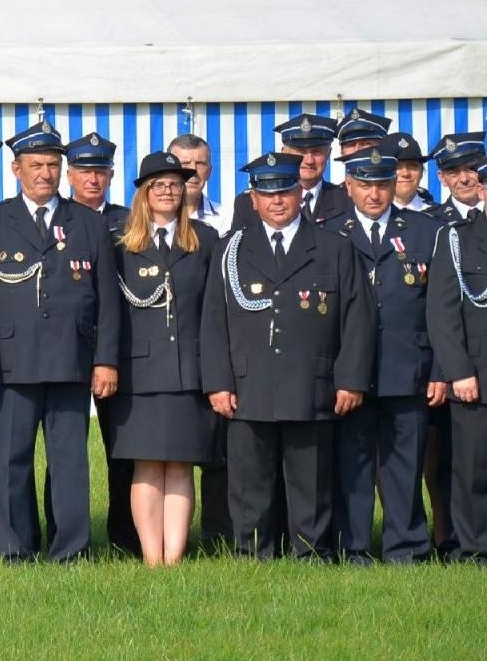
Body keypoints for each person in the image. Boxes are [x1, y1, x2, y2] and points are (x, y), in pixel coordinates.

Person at [202, 152, 375, 560]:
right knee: (249, 480)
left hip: (310, 383)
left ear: (300, 193)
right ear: (254, 198)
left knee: (310, 479)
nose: (277, 201)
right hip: (248, 385)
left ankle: (311, 553)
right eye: (267, 193)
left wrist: (350, 379)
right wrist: (218, 382)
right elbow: (213, 321)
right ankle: (255, 554)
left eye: (285, 191)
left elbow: (357, 318)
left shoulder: (334, 247)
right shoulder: (231, 248)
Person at [0, 120, 118, 562]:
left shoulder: (87, 223)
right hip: (12, 359)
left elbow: (107, 301)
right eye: (36, 165)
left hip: (69, 359)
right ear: (16, 169)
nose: (45, 174)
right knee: (11, 462)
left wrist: (106, 360)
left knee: (70, 462)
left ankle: (71, 548)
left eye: (53, 165)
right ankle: (16, 549)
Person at [101, 152, 219, 566]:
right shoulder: (120, 243)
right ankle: (153, 558)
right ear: (143, 194)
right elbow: (109, 311)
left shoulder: (205, 240)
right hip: (140, 373)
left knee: (181, 467)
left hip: (190, 370)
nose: (169, 191)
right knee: (148, 468)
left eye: (176, 184)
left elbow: (213, 311)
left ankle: (175, 556)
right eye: (159, 185)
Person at [327, 143, 441, 563]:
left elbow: (439, 308)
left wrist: (440, 370)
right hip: (349, 372)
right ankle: (352, 548)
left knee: (404, 466)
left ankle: (407, 549)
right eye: (364, 185)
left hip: (407, 367)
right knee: (351, 466)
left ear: (394, 184)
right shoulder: (328, 231)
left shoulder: (425, 231)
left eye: (382, 184)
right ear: (349, 186)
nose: (374, 194)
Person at [63, 131, 134, 553]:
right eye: (84, 172)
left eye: (100, 171)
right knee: (65, 449)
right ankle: (63, 530)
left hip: (117, 347)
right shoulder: (60, 219)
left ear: (110, 175)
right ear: (69, 175)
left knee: (121, 449)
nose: (93, 179)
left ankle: (124, 535)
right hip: (67, 346)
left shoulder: (129, 220)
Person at [165, 132, 232, 543]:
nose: (191, 172)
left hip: (219, 349)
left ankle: (218, 533)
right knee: (167, 455)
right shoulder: (145, 223)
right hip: (170, 354)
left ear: (210, 168)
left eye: (200, 164)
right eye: (182, 165)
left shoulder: (226, 219)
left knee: (220, 451)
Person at [427, 151, 487, 563]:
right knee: (473, 469)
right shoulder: (456, 236)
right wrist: (459, 370)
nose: (468, 180)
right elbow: (443, 311)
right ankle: (474, 548)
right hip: (477, 374)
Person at [231, 115, 350, 230]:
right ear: (284, 153)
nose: (309, 161)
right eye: (301, 152)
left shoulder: (348, 199)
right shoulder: (248, 203)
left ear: (328, 153)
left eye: (317, 152)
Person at [168, 133, 230, 230]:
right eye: (185, 163)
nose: (193, 170)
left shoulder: (227, 219)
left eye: (200, 164)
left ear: (209, 172)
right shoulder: (148, 218)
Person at [385, 132, 435, 211]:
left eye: (412, 166)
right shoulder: (370, 216)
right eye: (396, 167)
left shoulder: (439, 217)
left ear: (422, 171)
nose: (405, 173)